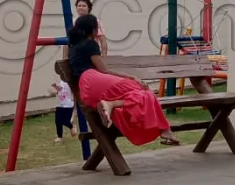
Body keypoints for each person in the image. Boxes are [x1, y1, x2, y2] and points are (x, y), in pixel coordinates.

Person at [67, 14, 179, 146]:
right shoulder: (90, 44)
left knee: (141, 94)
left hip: (87, 92)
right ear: (93, 30)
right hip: (93, 79)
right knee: (142, 91)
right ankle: (113, 105)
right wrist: (130, 77)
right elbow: (104, 70)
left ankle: (164, 130)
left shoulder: (73, 48)